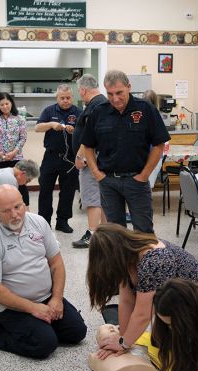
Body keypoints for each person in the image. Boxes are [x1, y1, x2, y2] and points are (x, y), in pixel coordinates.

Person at [0, 185, 87, 359]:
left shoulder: (38, 222)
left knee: (77, 332)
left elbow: (56, 263)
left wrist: (56, 298)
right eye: (6, 211)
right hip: (11, 308)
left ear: (24, 203)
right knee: (45, 345)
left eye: (18, 207)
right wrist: (33, 308)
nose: (14, 214)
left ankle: (40, 324)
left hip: (46, 297)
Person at [86, 223, 198, 359]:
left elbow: (143, 314)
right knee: (161, 342)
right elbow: (127, 301)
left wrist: (123, 343)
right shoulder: (128, 255)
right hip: (190, 304)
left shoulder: (154, 260)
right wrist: (122, 338)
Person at [81, 70, 170, 233]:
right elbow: (88, 145)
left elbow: (159, 144)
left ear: (129, 87)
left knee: (144, 231)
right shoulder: (99, 112)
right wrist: (96, 173)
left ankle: (145, 260)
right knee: (115, 233)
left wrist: (144, 175)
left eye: (119, 93)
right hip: (108, 181)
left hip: (136, 180)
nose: (115, 99)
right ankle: (121, 260)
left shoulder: (146, 109)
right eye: (110, 94)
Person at [35, 84, 82, 233]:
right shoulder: (49, 110)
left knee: (68, 192)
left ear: (72, 97)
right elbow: (37, 128)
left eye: (68, 98)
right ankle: (44, 223)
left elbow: (86, 134)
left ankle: (62, 221)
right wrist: (51, 124)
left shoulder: (79, 113)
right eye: (62, 98)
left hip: (70, 159)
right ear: (57, 98)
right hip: (50, 157)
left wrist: (74, 131)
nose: (65, 100)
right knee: (45, 190)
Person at [72, 74, 107, 248]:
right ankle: (106, 234)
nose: (80, 94)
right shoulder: (101, 103)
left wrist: (81, 157)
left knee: (92, 197)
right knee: (102, 197)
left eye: (79, 91)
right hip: (99, 158)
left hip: (91, 159)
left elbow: (91, 135)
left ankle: (92, 234)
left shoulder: (95, 106)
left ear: (84, 90)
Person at [0, 92, 29, 206]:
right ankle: (3, 208)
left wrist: (14, 152)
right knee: (1, 186)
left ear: (11, 103)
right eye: (2, 105)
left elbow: (23, 138)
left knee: (20, 183)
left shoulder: (20, 119)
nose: (5, 107)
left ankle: (25, 208)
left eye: (7, 103)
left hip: (16, 157)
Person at [88, 324, 157, 371]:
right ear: (99, 344)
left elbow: (141, 317)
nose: (112, 328)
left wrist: (124, 343)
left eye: (116, 328)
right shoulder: (97, 356)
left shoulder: (137, 341)